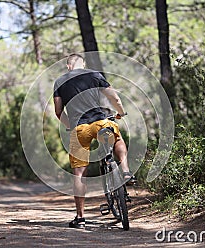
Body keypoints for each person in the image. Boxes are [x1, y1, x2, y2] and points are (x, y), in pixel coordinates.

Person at [53, 53, 136, 229]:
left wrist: (70, 125)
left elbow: (59, 111)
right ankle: (126, 171)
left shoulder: (59, 82)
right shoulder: (94, 74)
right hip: (101, 122)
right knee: (117, 140)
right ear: (83, 64)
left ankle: (80, 218)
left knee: (79, 173)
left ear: (69, 66)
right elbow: (115, 98)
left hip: (80, 129)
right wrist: (121, 112)